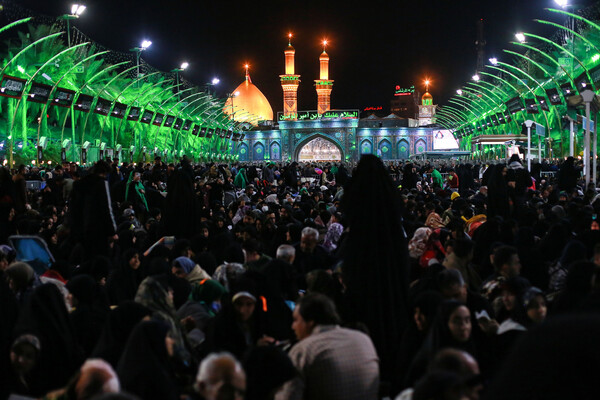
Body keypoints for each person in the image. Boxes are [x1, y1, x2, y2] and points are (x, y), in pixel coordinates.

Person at [275, 293, 379, 400]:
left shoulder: (304, 349)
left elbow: (289, 396)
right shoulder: (363, 339)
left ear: (310, 321)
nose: (293, 326)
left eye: (296, 320)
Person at [117, 320, 181, 400]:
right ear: (155, 340)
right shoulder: (147, 378)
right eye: (167, 337)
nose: (172, 341)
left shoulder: (156, 367)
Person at [67, 160, 117, 261]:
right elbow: (106, 209)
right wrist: (112, 231)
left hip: (80, 230)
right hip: (98, 230)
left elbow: (72, 207)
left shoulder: (79, 184)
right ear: (105, 172)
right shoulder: (102, 184)